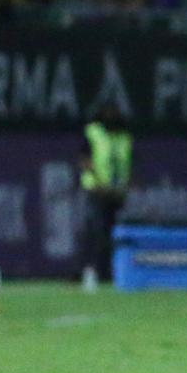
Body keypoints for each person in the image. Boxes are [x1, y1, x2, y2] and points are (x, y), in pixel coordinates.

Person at [78, 101, 133, 289]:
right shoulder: (93, 132)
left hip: (116, 193)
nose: (113, 115)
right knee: (95, 231)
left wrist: (124, 187)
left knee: (114, 234)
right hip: (96, 190)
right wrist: (100, 183)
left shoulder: (124, 136)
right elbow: (85, 160)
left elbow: (128, 164)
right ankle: (90, 271)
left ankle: (111, 273)